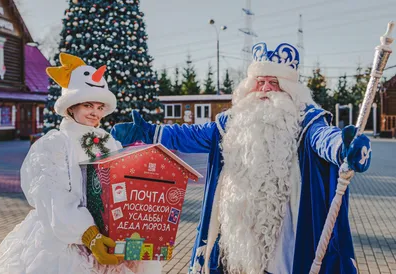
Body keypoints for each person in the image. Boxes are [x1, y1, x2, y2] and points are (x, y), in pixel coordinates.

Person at [111, 42, 372, 274]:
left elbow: (325, 140)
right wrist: (148, 132)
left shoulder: (306, 121)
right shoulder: (231, 123)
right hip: (237, 235)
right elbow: (189, 135)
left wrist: (343, 148)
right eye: (260, 82)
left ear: (290, 88)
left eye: (274, 83)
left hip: (285, 235)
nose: (266, 90)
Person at [0, 53, 161, 274]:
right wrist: (87, 233)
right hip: (66, 241)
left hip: (110, 234)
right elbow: (52, 195)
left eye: (100, 106)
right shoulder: (55, 143)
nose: (95, 112)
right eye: (87, 105)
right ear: (71, 107)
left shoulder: (110, 140)